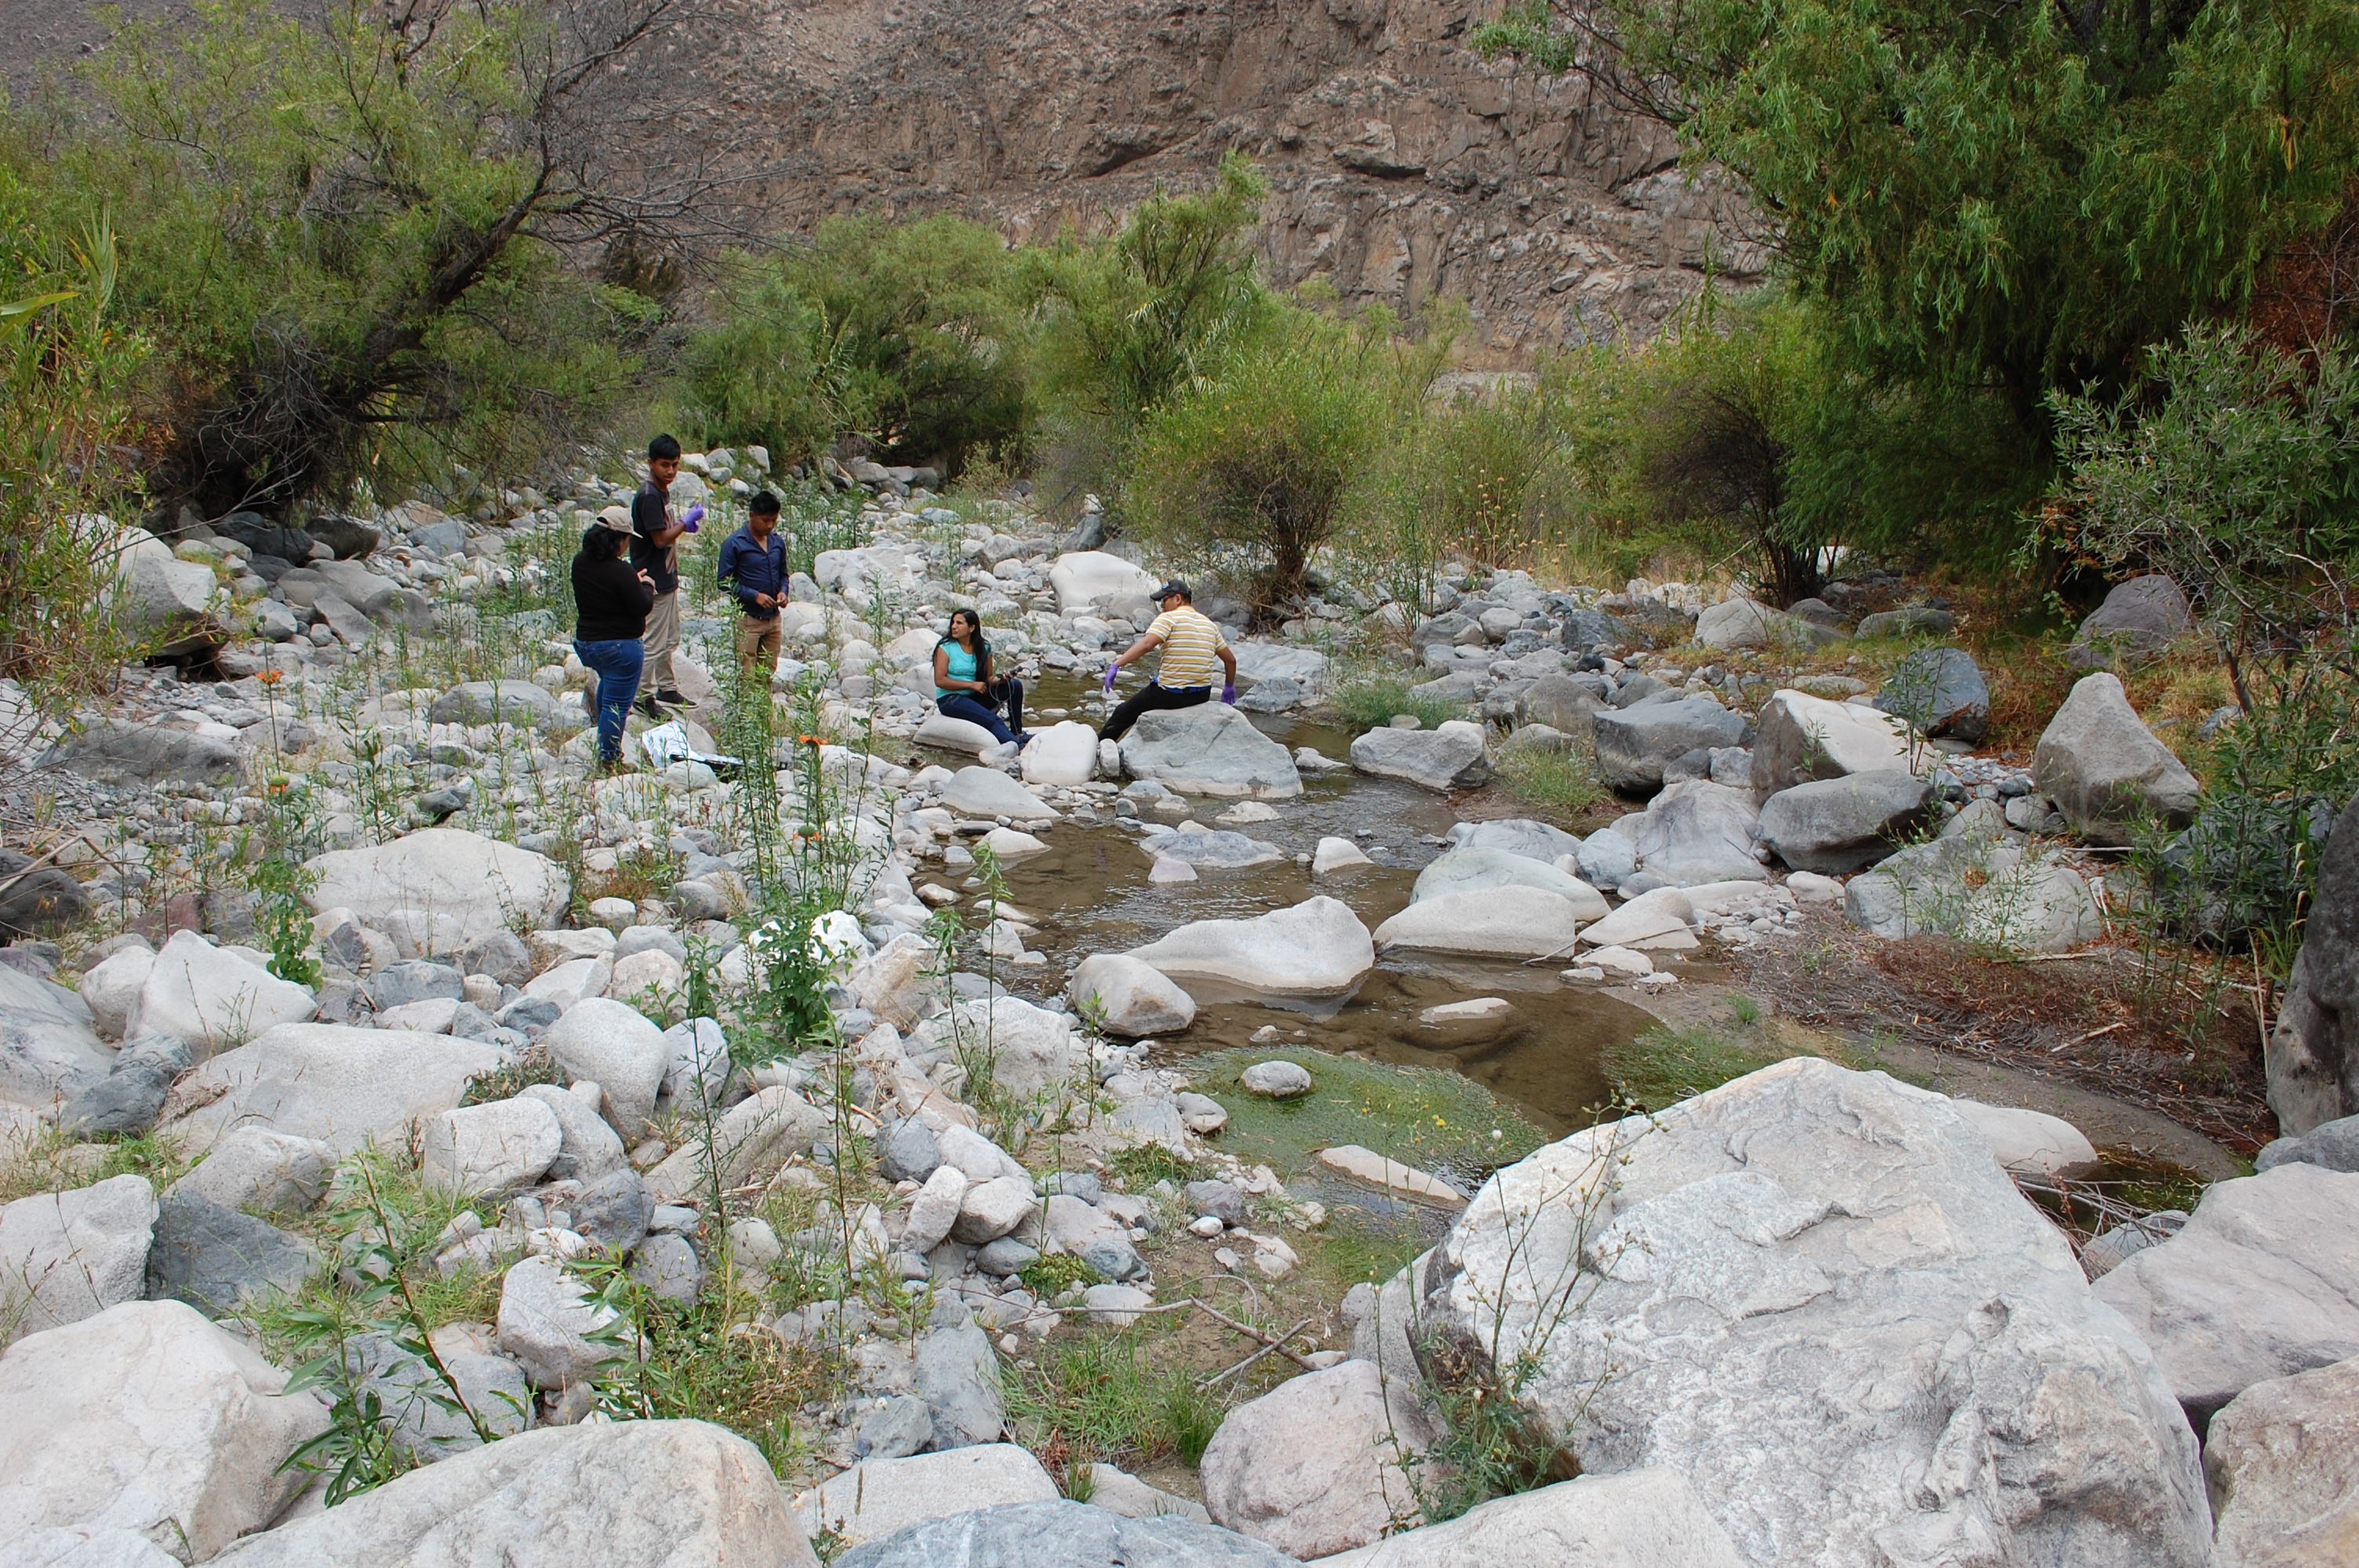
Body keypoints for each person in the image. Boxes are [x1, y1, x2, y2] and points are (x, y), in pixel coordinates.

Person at [1099, 579, 1237, 743]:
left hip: (1170, 694)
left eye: (1164, 601)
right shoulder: (1209, 625)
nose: (1162, 607)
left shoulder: (1169, 618)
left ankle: (1099, 750)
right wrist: (1229, 686)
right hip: (1201, 695)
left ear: (1178, 599)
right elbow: (1231, 660)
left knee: (1122, 713)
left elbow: (1147, 644)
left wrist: (1117, 664)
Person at [572, 507, 656, 770]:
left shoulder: (580, 562)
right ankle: (609, 759)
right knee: (616, 706)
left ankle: (603, 740)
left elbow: (609, 589)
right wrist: (646, 586)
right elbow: (642, 606)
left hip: (588, 645)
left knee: (607, 689)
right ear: (618, 539)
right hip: (619, 647)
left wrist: (632, 581)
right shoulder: (620, 571)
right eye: (627, 539)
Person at [631, 433, 692, 717]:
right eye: (665, 465)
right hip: (653, 579)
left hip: (667, 576)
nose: (670, 471)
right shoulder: (649, 496)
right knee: (653, 641)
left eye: (675, 465)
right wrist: (684, 524)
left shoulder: (661, 492)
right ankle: (641, 695)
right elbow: (659, 539)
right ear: (651, 463)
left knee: (669, 638)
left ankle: (666, 686)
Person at [932, 608, 1029, 751]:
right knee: (993, 720)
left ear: (972, 628)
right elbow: (940, 681)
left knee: (1014, 685)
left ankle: (1017, 732)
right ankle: (1019, 747)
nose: (954, 626)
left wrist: (1002, 679)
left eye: (959, 623)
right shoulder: (945, 648)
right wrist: (971, 685)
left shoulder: (984, 647)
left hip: (976, 696)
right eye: (953, 622)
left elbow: (988, 679)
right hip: (951, 699)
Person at [717, 490, 789, 677]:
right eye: (765, 520)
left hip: (773, 619)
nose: (770, 525)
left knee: (768, 672)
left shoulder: (777, 542)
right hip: (748, 619)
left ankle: (765, 705)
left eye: (774, 520)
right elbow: (723, 582)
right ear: (752, 516)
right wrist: (754, 596)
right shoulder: (734, 543)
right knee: (747, 673)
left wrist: (783, 592)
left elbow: (783, 574)